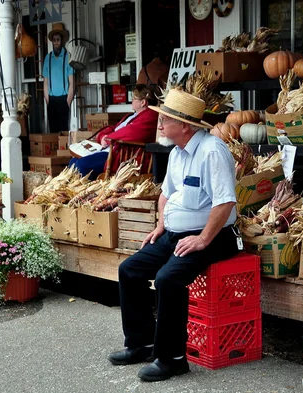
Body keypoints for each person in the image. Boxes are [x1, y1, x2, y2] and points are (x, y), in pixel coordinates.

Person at [108, 89, 241, 382]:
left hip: (214, 235)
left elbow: (225, 202)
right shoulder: (178, 152)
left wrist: (203, 239)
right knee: (129, 270)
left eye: (164, 119)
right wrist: (160, 226)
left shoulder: (212, 151)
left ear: (184, 125)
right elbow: (167, 194)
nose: (159, 124)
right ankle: (141, 344)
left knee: (169, 279)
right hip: (175, 234)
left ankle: (173, 359)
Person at [68, 84, 158, 179]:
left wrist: (108, 138)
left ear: (143, 102)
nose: (132, 101)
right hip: (111, 150)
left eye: (134, 98)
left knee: (82, 164)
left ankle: (88, 191)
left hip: (121, 156)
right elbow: (115, 128)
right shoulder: (132, 115)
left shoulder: (150, 116)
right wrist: (103, 136)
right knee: (73, 162)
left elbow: (131, 132)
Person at [43, 23, 75, 134]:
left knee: (63, 130)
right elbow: (45, 81)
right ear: (52, 41)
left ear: (62, 41)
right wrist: (47, 100)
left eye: (58, 39)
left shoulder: (68, 56)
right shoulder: (48, 58)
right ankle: (53, 151)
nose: (56, 42)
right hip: (51, 99)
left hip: (63, 99)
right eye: (54, 40)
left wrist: (68, 100)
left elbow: (71, 82)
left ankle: (63, 151)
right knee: (52, 129)